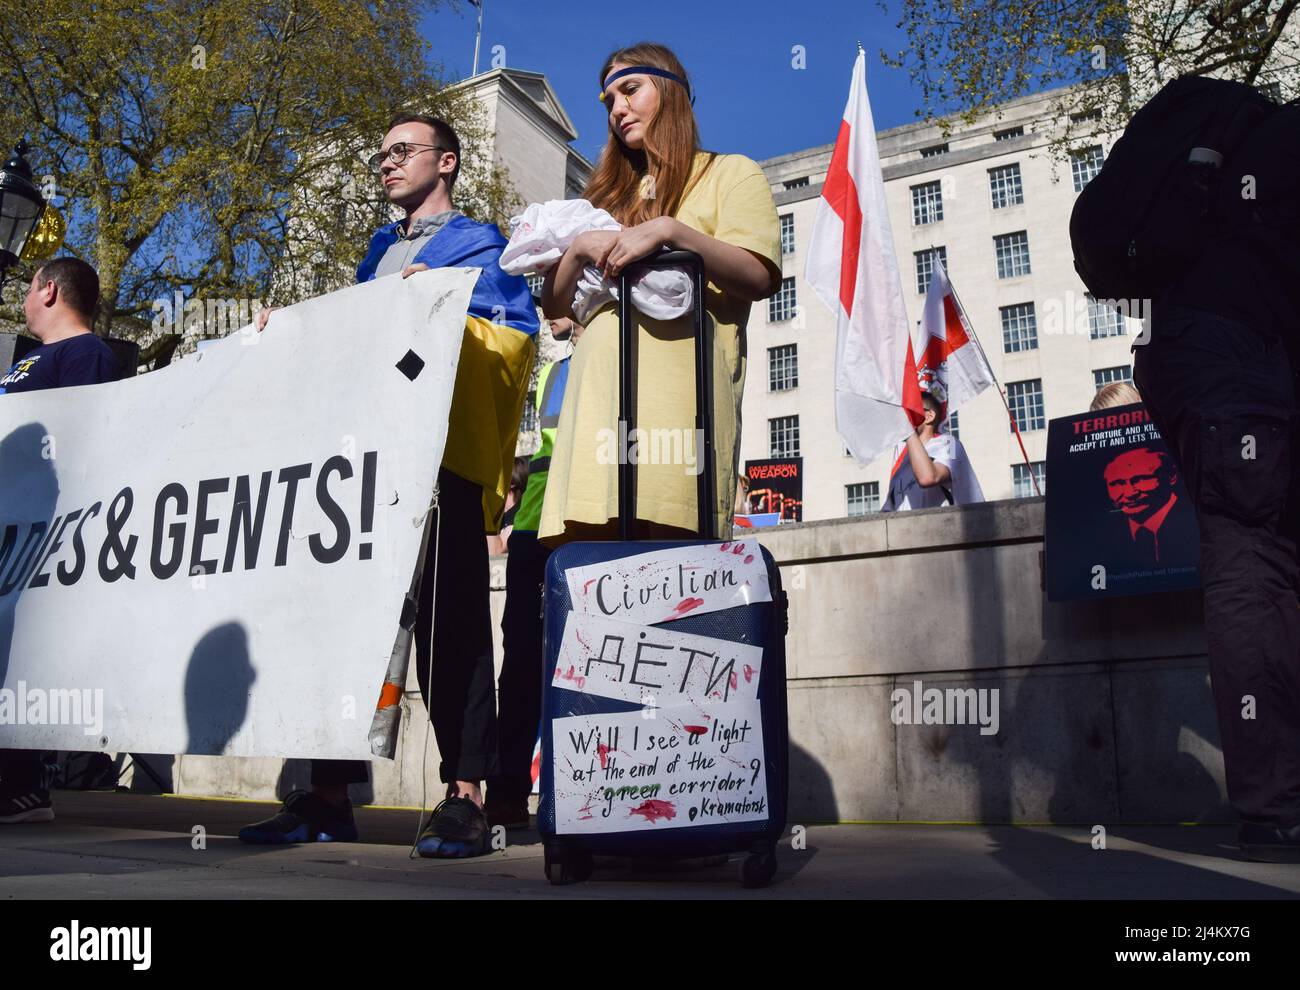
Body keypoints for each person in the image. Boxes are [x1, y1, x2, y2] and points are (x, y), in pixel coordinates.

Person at [239, 113, 537, 858]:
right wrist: (296, 329)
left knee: (453, 627)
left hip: (439, 467)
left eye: (403, 151)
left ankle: (466, 795)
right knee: (342, 629)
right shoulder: (376, 253)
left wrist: (434, 304)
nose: (386, 163)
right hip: (363, 471)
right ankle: (327, 795)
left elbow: (513, 338)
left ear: (449, 162)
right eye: (381, 155)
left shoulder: (482, 246)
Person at [1132, 100, 1300, 862]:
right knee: (1253, 567)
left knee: (1251, 559)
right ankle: (1273, 806)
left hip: (1187, 354)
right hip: (1241, 361)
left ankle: (1273, 802)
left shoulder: (1235, 134)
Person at [538, 42, 781, 545]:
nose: (617, 109)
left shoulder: (730, 172)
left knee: (671, 579)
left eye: (630, 89)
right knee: (589, 578)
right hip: (597, 411)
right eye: (608, 101)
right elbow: (554, 306)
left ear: (670, 92)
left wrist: (672, 231)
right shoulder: (604, 199)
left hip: (679, 413)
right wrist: (580, 248)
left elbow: (758, 276)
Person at [0, 257, 120, 824]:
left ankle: (23, 785)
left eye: (28, 287)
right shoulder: (30, 360)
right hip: (8, 524)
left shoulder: (86, 355)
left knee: (23, 654)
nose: (24, 299)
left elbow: (82, 445)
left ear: (48, 290)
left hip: (34, 536)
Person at [484, 317, 580, 829]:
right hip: (535, 527)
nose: (551, 308)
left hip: (585, 521)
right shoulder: (552, 371)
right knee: (520, 659)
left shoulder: (614, 358)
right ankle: (508, 791)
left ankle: (585, 792)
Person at [881, 390, 983, 512]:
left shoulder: (951, 444)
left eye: (909, 412)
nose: (904, 418)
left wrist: (907, 430)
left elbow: (928, 477)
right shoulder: (903, 463)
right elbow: (887, 512)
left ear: (929, 416)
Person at [1098, 446, 1198, 568]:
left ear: (1171, 476)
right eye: (1117, 483)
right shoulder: (1102, 534)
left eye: (1140, 479)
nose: (1130, 493)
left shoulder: (1199, 516)